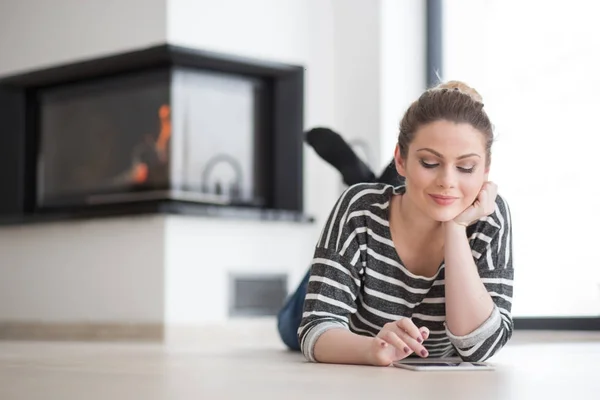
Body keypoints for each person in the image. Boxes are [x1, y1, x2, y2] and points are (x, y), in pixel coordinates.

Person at [277, 81, 513, 366]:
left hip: (385, 213)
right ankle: (371, 185)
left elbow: (480, 349)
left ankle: (372, 179)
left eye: (465, 168)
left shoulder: (489, 214)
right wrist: (372, 349)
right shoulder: (358, 208)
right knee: (291, 325)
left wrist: (456, 227)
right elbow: (314, 328)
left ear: (486, 171)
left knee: (374, 210)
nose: (448, 181)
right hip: (348, 328)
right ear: (400, 159)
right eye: (429, 163)